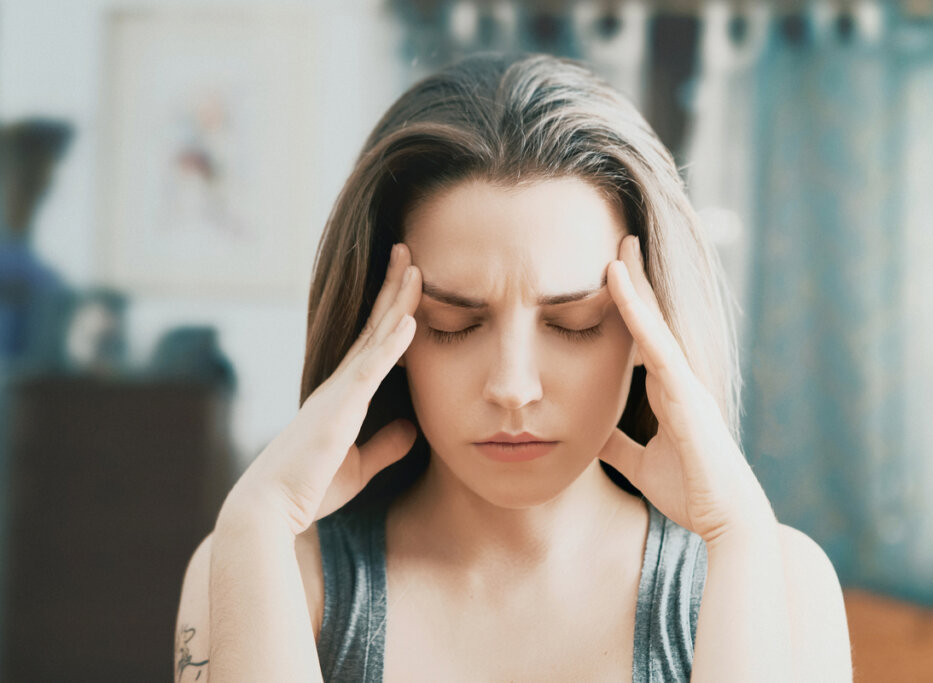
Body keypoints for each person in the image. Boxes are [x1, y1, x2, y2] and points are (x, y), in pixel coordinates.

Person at [175, 53, 852, 682]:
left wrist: (737, 539)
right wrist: (257, 520)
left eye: (574, 323)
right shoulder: (267, 566)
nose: (513, 387)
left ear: (650, 330)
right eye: (453, 324)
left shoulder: (780, 579)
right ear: (384, 336)